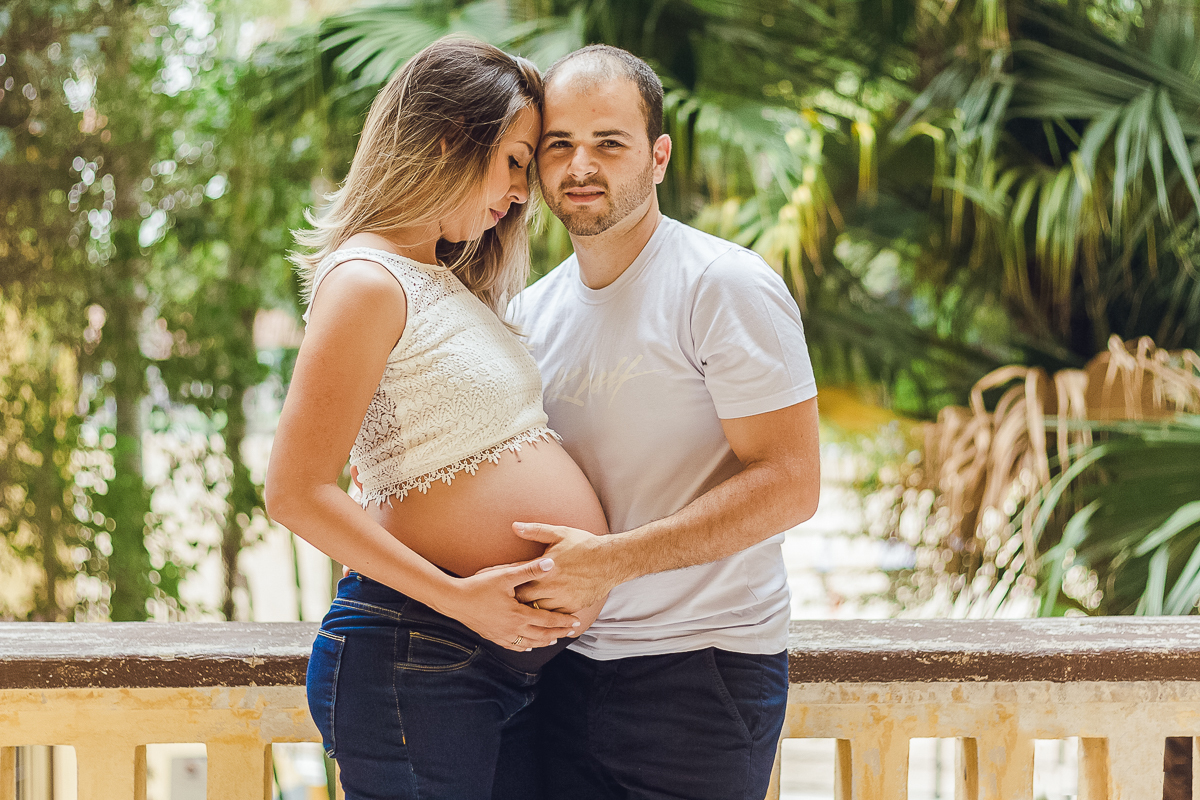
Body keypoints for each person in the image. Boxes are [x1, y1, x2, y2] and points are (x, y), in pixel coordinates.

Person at [264, 38, 609, 800]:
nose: (519, 193)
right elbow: (294, 492)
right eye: (514, 161)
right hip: (418, 657)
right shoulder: (367, 280)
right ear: (452, 136)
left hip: (484, 668)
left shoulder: (441, 279)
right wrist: (459, 599)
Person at [505, 45, 821, 800]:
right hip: (560, 671)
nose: (581, 166)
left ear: (658, 157)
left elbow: (791, 484)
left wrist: (610, 563)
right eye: (559, 144)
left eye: (609, 143)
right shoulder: (527, 313)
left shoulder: (722, 286)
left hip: (700, 674)